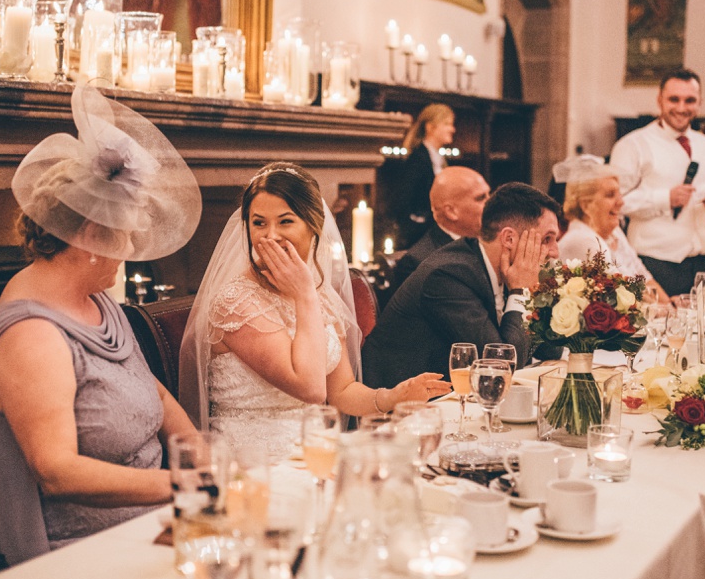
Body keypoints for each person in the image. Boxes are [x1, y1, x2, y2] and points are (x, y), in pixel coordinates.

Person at [0, 86, 202, 566]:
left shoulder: (96, 301)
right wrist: (182, 485)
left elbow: (146, 386)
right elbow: (57, 471)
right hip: (71, 552)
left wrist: (195, 448)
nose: (130, 246)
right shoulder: (31, 336)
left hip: (151, 524)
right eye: (124, 233)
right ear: (89, 235)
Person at [180, 163, 449, 460]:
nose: (270, 236)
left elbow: (341, 391)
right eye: (259, 223)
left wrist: (392, 396)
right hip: (255, 460)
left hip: (315, 447)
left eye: (285, 222)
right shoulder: (236, 301)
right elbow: (310, 389)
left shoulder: (318, 293)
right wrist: (304, 294)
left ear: (313, 226)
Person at [362, 183, 561, 388]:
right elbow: (499, 366)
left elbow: (551, 349)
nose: (555, 251)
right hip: (405, 409)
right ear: (509, 238)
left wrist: (536, 289)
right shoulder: (449, 275)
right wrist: (521, 291)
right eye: (547, 239)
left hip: (459, 400)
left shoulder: (511, 270)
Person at [609, 69, 705, 296]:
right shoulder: (633, 145)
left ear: (699, 103)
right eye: (674, 99)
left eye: (690, 100)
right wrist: (665, 199)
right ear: (659, 100)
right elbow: (614, 203)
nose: (682, 108)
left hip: (699, 262)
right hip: (652, 262)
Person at [553, 156, 669, 303]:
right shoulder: (582, 240)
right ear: (586, 205)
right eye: (610, 195)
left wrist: (671, 307)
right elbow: (621, 299)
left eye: (619, 194)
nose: (621, 202)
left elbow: (644, 278)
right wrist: (663, 311)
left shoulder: (615, 233)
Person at [392, 166, 490, 290]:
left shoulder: (491, 245)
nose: (491, 203)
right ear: (451, 212)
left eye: (489, 195)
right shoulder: (419, 263)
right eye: (481, 198)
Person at [392, 103, 457, 247]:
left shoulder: (440, 158)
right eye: (447, 124)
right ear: (430, 127)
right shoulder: (418, 158)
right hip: (420, 238)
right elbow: (402, 200)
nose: (452, 129)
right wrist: (417, 226)